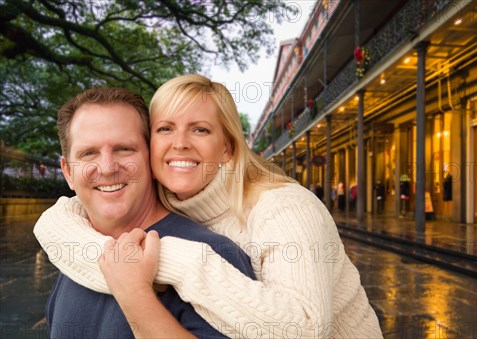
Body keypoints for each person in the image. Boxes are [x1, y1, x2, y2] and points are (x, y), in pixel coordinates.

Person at [34, 75, 383, 338]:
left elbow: (306, 328)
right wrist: (53, 227)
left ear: (228, 147)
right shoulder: (173, 201)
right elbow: (61, 220)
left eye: (200, 130)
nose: (180, 144)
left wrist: (170, 265)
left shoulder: (284, 209)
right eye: (166, 128)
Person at [43, 87, 255, 338]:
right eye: (89, 153)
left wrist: (136, 294)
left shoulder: (214, 254)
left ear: (151, 158)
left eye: (124, 149)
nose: (108, 167)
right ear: (68, 172)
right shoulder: (76, 250)